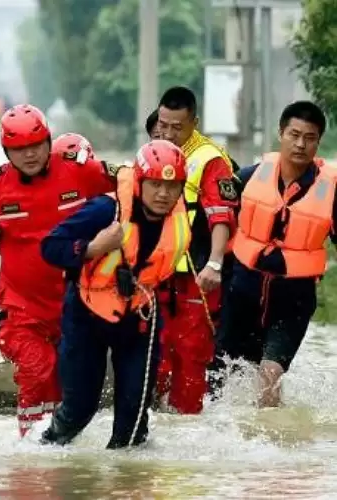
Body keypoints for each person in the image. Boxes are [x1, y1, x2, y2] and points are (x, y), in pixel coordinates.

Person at [0, 105, 116, 437]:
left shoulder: (80, 171)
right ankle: (32, 454)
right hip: (22, 307)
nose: (30, 155)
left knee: (72, 382)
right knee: (38, 371)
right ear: (6, 151)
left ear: (48, 141)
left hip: (77, 302)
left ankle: (60, 447)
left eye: (36, 145)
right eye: (19, 149)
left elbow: (129, 186)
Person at [40, 140, 191, 449]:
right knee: (80, 409)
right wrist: (93, 248)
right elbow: (50, 246)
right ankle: (45, 449)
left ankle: (126, 487)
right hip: (87, 314)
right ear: (139, 181)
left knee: (134, 419)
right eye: (155, 185)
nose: (163, 194)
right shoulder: (105, 209)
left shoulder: (181, 218)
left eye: (172, 186)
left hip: (138, 319)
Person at [212, 101, 334, 408]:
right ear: (280, 133)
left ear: (318, 142)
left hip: (292, 299)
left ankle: (267, 445)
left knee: (269, 373)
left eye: (309, 137)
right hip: (242, 292)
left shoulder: (331, 192)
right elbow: (217, 221)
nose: (300, 144)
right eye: (294, 134)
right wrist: (211, 264)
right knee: (222, 375)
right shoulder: (250, 177)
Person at [153, 87, 239, 414]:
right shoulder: (152, 151)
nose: (169, 133)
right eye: (163, 124)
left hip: (197, 275)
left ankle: (187, 431)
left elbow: (222, 215)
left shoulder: (210, 159)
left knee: (190, 357)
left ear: (194, 123)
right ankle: (150, 427)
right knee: (153, 357)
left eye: (178, 127)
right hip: (155, 274)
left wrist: (215, 263)